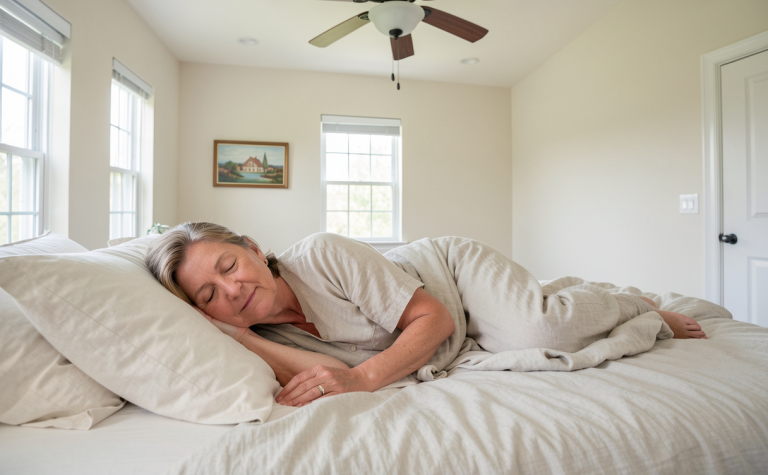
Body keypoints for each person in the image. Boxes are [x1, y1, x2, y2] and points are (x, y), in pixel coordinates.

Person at [145, 222, 706, 408]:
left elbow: (432, 320)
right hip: (448, 328)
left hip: (447, 277)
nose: (232, 288)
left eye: (228, 265)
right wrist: (232, 331)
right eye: (209, 295)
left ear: (250, 246)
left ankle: (637, 303)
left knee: (541, 327)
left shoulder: (320, 254)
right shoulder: (260, 329)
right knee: (521, 333)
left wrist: (364, 377)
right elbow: (314, 378)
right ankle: (557, 292)